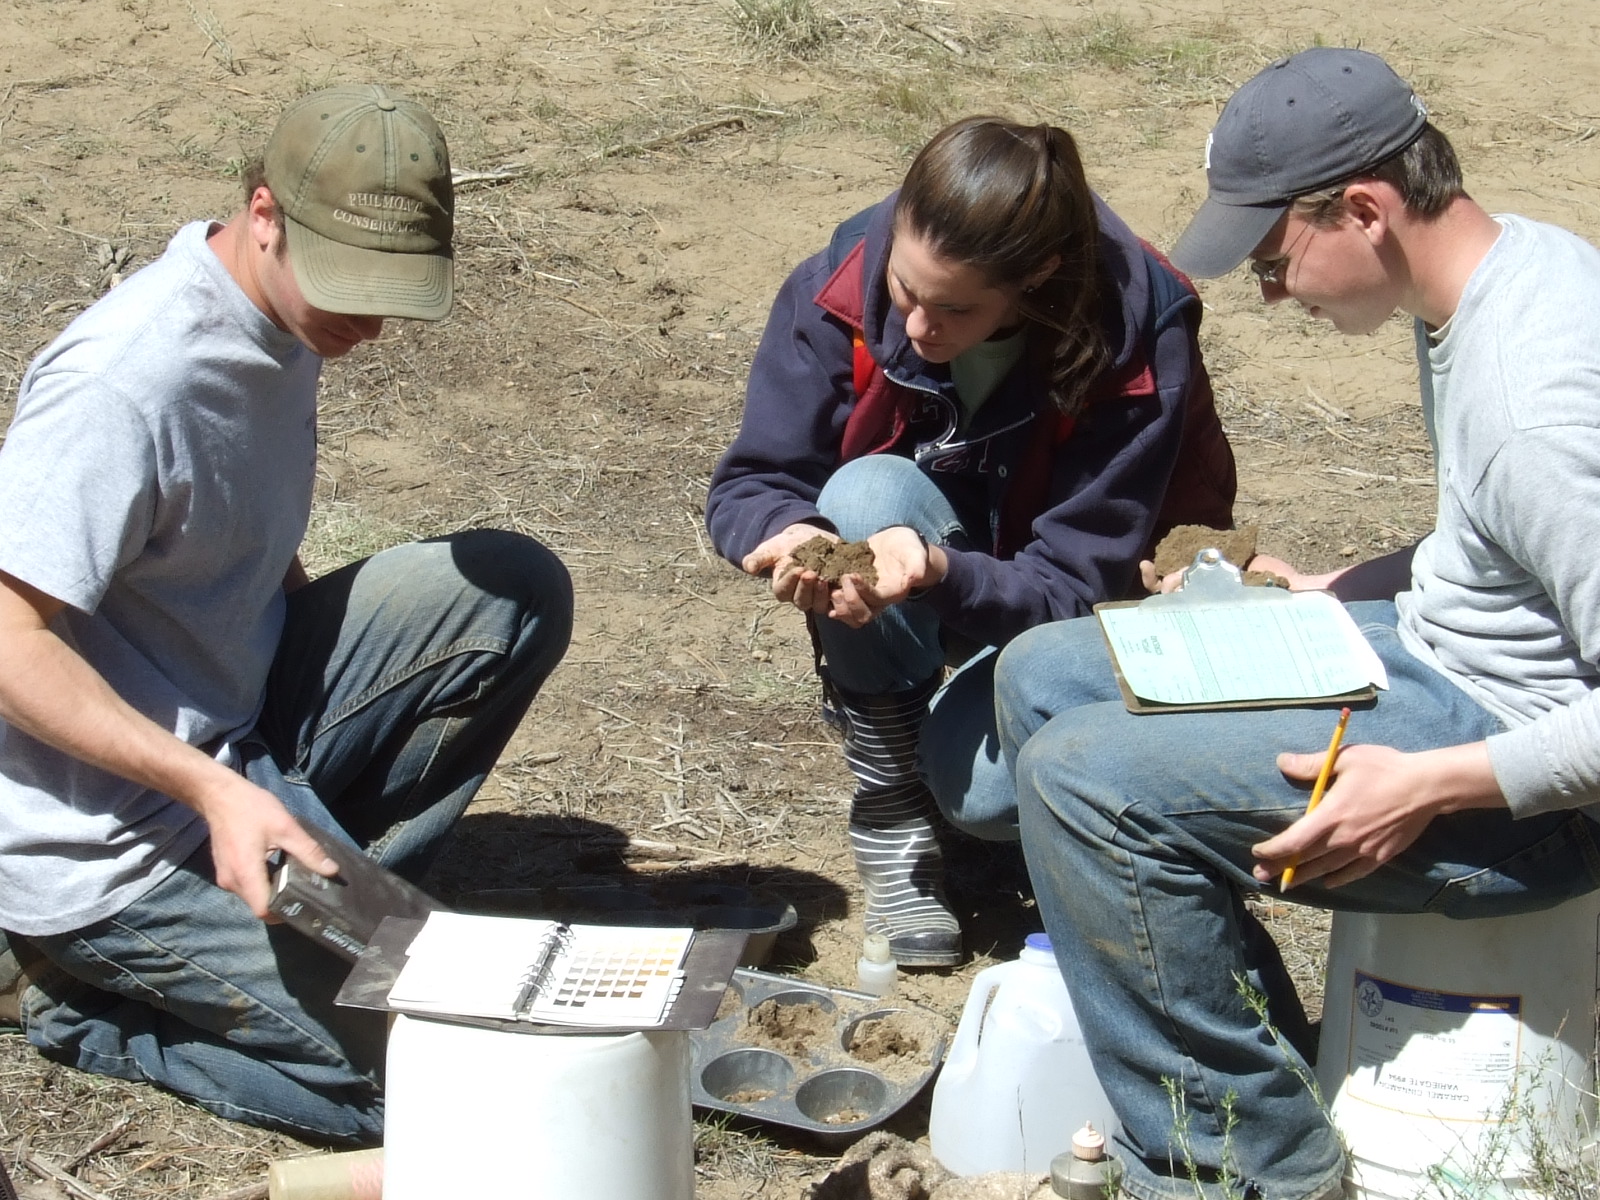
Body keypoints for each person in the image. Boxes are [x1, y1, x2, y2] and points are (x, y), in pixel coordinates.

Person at [995, 48, 1600, 1200]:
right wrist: (1339, 590)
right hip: (1453, 663)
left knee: (1086, 782)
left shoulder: (1534, 405)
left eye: (1275, 263)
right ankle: (1253, 1060)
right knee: (1046, 674)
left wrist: (1428, 786)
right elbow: (1503, 555)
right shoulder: (1486, 278)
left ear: (1365, 210)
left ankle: (1239, 1169)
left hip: (1535, 791)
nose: (1272, 296)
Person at [0, 85, 574, 1142]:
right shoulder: (123, 384)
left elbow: (224, 522)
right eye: (350, 283)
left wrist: (305, 683)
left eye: (395, 289)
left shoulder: (282, 312)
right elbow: (6, 640)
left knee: (507, 590)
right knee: (455, 1087)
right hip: (107, 836)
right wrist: (207, 786)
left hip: (232, 726)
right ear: (262, 214)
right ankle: (80, 1008)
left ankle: (329, 885)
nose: (370, 321)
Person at [706, 115, 1235, 965]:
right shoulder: (841, 284)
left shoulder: (1137, 335)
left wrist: (937, 572)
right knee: (863, 493)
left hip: (1063, 612)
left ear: (1037, 281)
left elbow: (1074, 587)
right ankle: (892, 817)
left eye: (954, 310)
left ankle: (974, 780)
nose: (915, 328)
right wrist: (787, 530)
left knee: (984, 799)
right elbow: (750, 482)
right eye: (906, 291)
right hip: (926, 561)